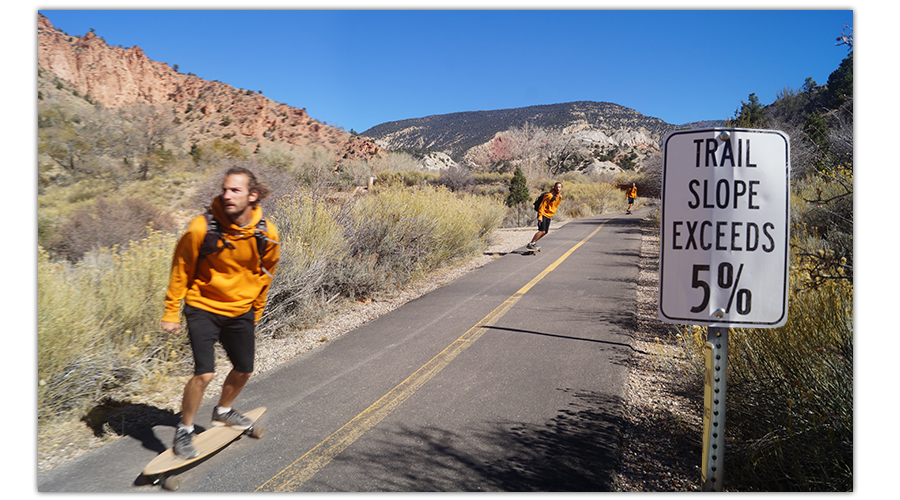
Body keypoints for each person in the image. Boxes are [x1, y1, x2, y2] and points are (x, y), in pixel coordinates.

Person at [160, 167, 280, 458]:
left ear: (252, 196)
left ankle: (223, 411)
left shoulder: (266, 233)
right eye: (225, 189)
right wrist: (171, 311)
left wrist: (255, 313)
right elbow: (181, 270)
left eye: (235, 190)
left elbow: (266, 275)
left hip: (240, 310)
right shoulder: (201, 228)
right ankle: (185, 429)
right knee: (204, 374)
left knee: (244, 369)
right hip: (202, 305)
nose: (227, 195)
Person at [527, 182, 562, 251]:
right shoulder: (549, 195)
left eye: (559, 187)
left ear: (561, 188)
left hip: (549, 216)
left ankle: (533, 243)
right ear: (554, 187)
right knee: (542, 231)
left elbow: (555, 206)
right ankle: (531, 243)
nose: (558, 188)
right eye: (557, 187)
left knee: (545, 232)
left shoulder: (559, 197)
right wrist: (540, 216)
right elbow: (542, 206)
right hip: (543, 214)